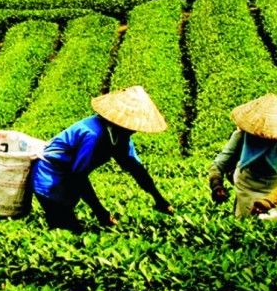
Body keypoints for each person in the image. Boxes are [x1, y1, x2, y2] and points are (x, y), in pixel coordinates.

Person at [30, 85, 175, 232]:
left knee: (70, 225)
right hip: (49, 177)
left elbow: (135, 168)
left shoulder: (121, 136)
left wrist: (160, 200)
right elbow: (79, 177)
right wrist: (101, 212)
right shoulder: (93, 135)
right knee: (66, 228)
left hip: (67, 178)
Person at [208, 93, 277, 220]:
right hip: (246, 186)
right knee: (243, 222)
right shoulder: (242, 135)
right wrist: (216, 184)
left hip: (274, 188)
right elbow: (220, 163)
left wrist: (270, 201)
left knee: (270, 228)